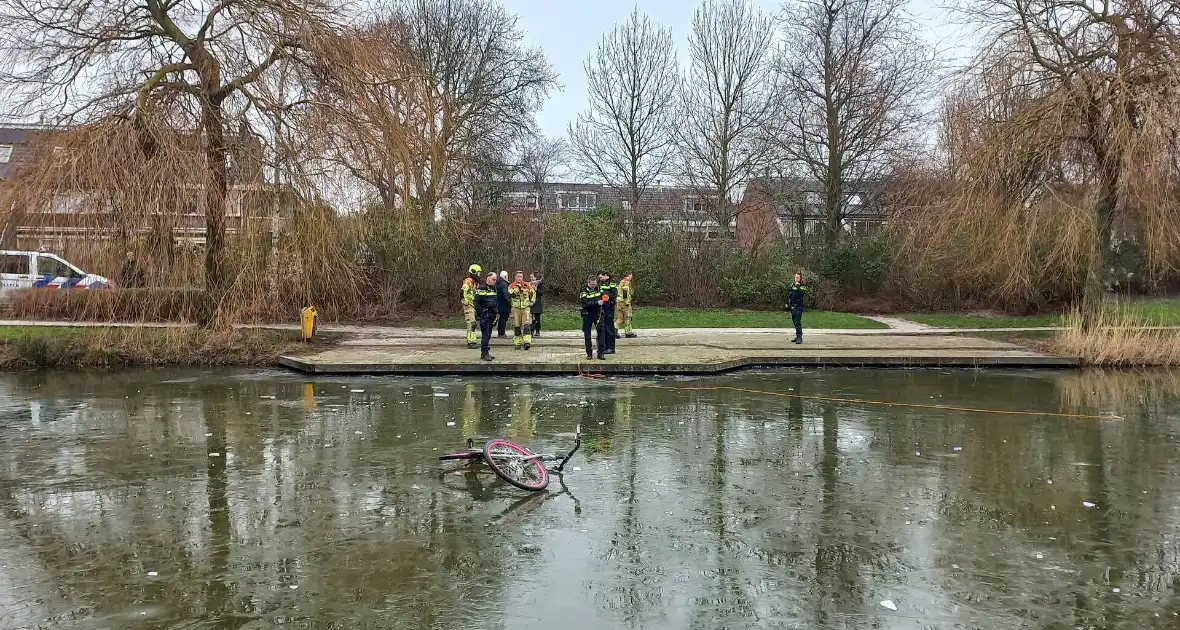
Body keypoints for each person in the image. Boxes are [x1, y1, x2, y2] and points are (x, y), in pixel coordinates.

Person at [579, 275, 607, 360]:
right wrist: (596, 303)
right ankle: (589, 353)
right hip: (587, 314)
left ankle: (601, 353)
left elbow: (604, 297)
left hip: (598, 314)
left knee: (601, 332)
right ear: (588, 283)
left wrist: (605, 299)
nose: (593, 286)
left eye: (594, 284)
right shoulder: (583, 290)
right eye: (591, 285)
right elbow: (585, 303)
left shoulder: (599, 288)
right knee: (587, 335)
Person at [508, 270, 536, 350]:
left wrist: (532, 301)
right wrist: (517, 288)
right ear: (515, 277)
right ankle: (518, 343)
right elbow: (511, 294)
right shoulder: (512, 286)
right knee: (517, 326)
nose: (520, 278)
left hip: (525, 308)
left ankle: (527, 342)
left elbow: (533, 293)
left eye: (521, 276)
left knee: (526, 325)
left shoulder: (527, 285)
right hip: (515, 308)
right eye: (518, 276)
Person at [476, 271, 500, 360]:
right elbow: (477, 302)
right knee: (485, 334)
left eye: (495, 280)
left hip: (492, 314)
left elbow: (495, 301)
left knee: (489, 334)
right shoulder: (482, 288)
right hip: (485, 314)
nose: (494, 281)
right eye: (493, 279)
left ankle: (485, 353)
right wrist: (481, 314)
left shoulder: (494, 288)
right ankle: (485, 353)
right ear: (488, 278)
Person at [461, 263, 482, 349]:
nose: (479, 275)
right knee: (471, 323)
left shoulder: (476, 283)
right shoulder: (468, 281)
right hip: (468, 305)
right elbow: (462, 292)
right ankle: (471, 342)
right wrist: (465, 302)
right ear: (474, 272)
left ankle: (472, 340)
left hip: (473, 305)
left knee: (473, 323)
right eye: (478, 273)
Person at [597, 270, 618, 354]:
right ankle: (604, 346)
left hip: (609, 307)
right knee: (603, 327)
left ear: (605, 275)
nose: (600, 279)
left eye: (601, 277)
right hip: (603, 307)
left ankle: (611, 348)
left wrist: (604, 294)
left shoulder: (612, 282)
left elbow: (614, 293)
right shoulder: (602, 283)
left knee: (609, 327)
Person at [786, 270, 808, 344]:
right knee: (794, 321)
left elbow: (801, 294)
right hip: (793, 306)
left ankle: (799, 337)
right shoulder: (792, 285)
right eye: (795, 277)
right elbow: (790, 293)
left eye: (797, 278)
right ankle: (797, 335)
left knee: (797, 321)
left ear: (800, 278)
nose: (796, 279)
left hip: (799, 306)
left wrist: (798, 287)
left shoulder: (803, 286)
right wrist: (788, 303)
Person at [616, 271, 636, 338]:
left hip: (619, 302)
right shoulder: (627, 282)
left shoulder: (621, 281)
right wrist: (627, 302)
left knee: (620, 318)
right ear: (629, 275)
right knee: (628, 317)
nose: (632, 277)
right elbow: (625, 291)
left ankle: (614, 331)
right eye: (631, 275)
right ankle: (628, 332)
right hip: (624, 302)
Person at [495, 270, 511, 337]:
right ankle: (502, 333)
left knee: (501, 318)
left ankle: (499, 332)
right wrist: (510, 302)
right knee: (504, 318)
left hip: (499, 303)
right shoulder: (504, 284)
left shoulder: (498, 283)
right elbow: (505, 295)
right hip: (504, 304)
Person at [529, 272, 544, 337]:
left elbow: (541, 293)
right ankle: (531, 331)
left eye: (532, 277)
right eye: (530, 277)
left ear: (535, 277)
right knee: (532, 319)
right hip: (531, 303)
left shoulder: (540, 284)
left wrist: (536, 289)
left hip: (537, 304)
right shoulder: (529, 284)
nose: (531, 279)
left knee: (537, 319)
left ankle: (537, 331)